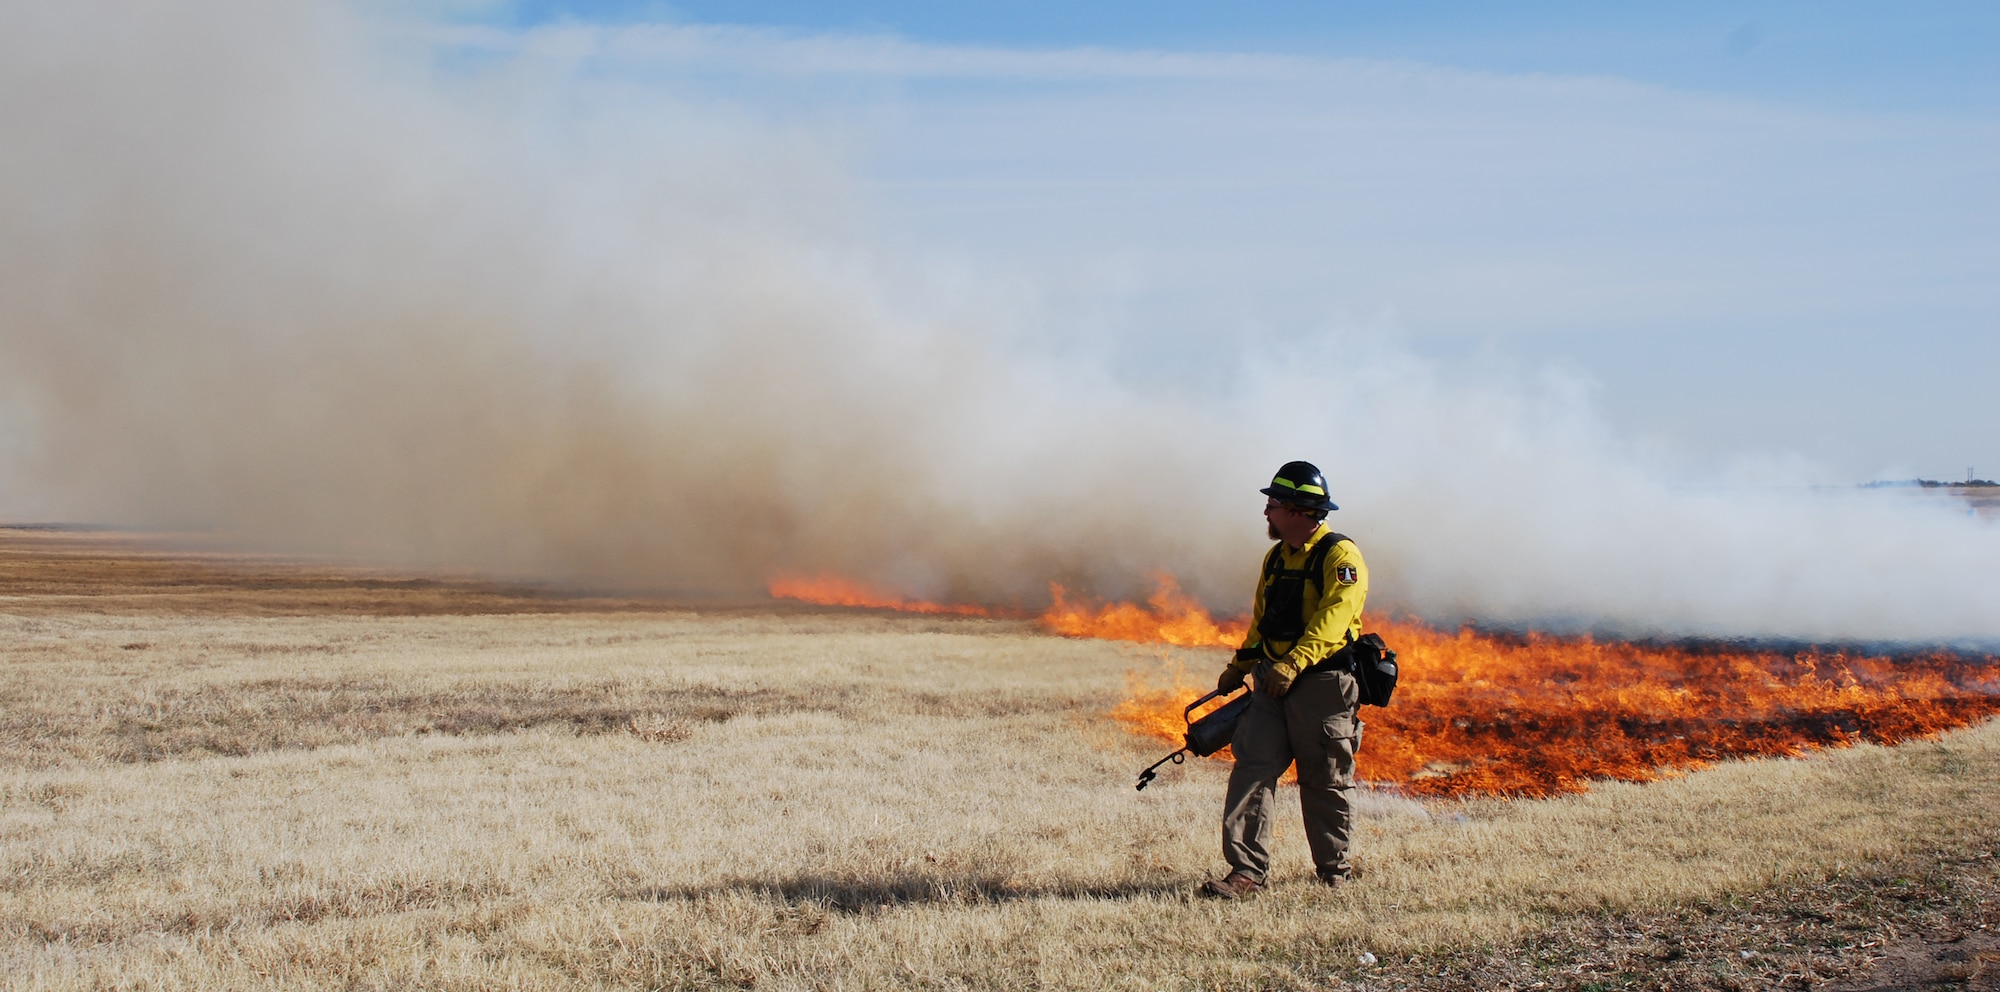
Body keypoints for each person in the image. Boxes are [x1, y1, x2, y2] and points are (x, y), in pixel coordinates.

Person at [1200, 460, 1369, 899]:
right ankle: (1245, 874)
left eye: (1273, 505)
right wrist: (1241, 665)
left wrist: (1294, 664)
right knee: (1252, 771)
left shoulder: (1340, 556)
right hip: (1270, 683)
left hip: (1321, 685)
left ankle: (1334, 873)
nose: (1266, 513)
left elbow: (1336, 619)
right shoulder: (1275, 557)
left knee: (1324, 777)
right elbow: (1262, 620)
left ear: (1297, 511)